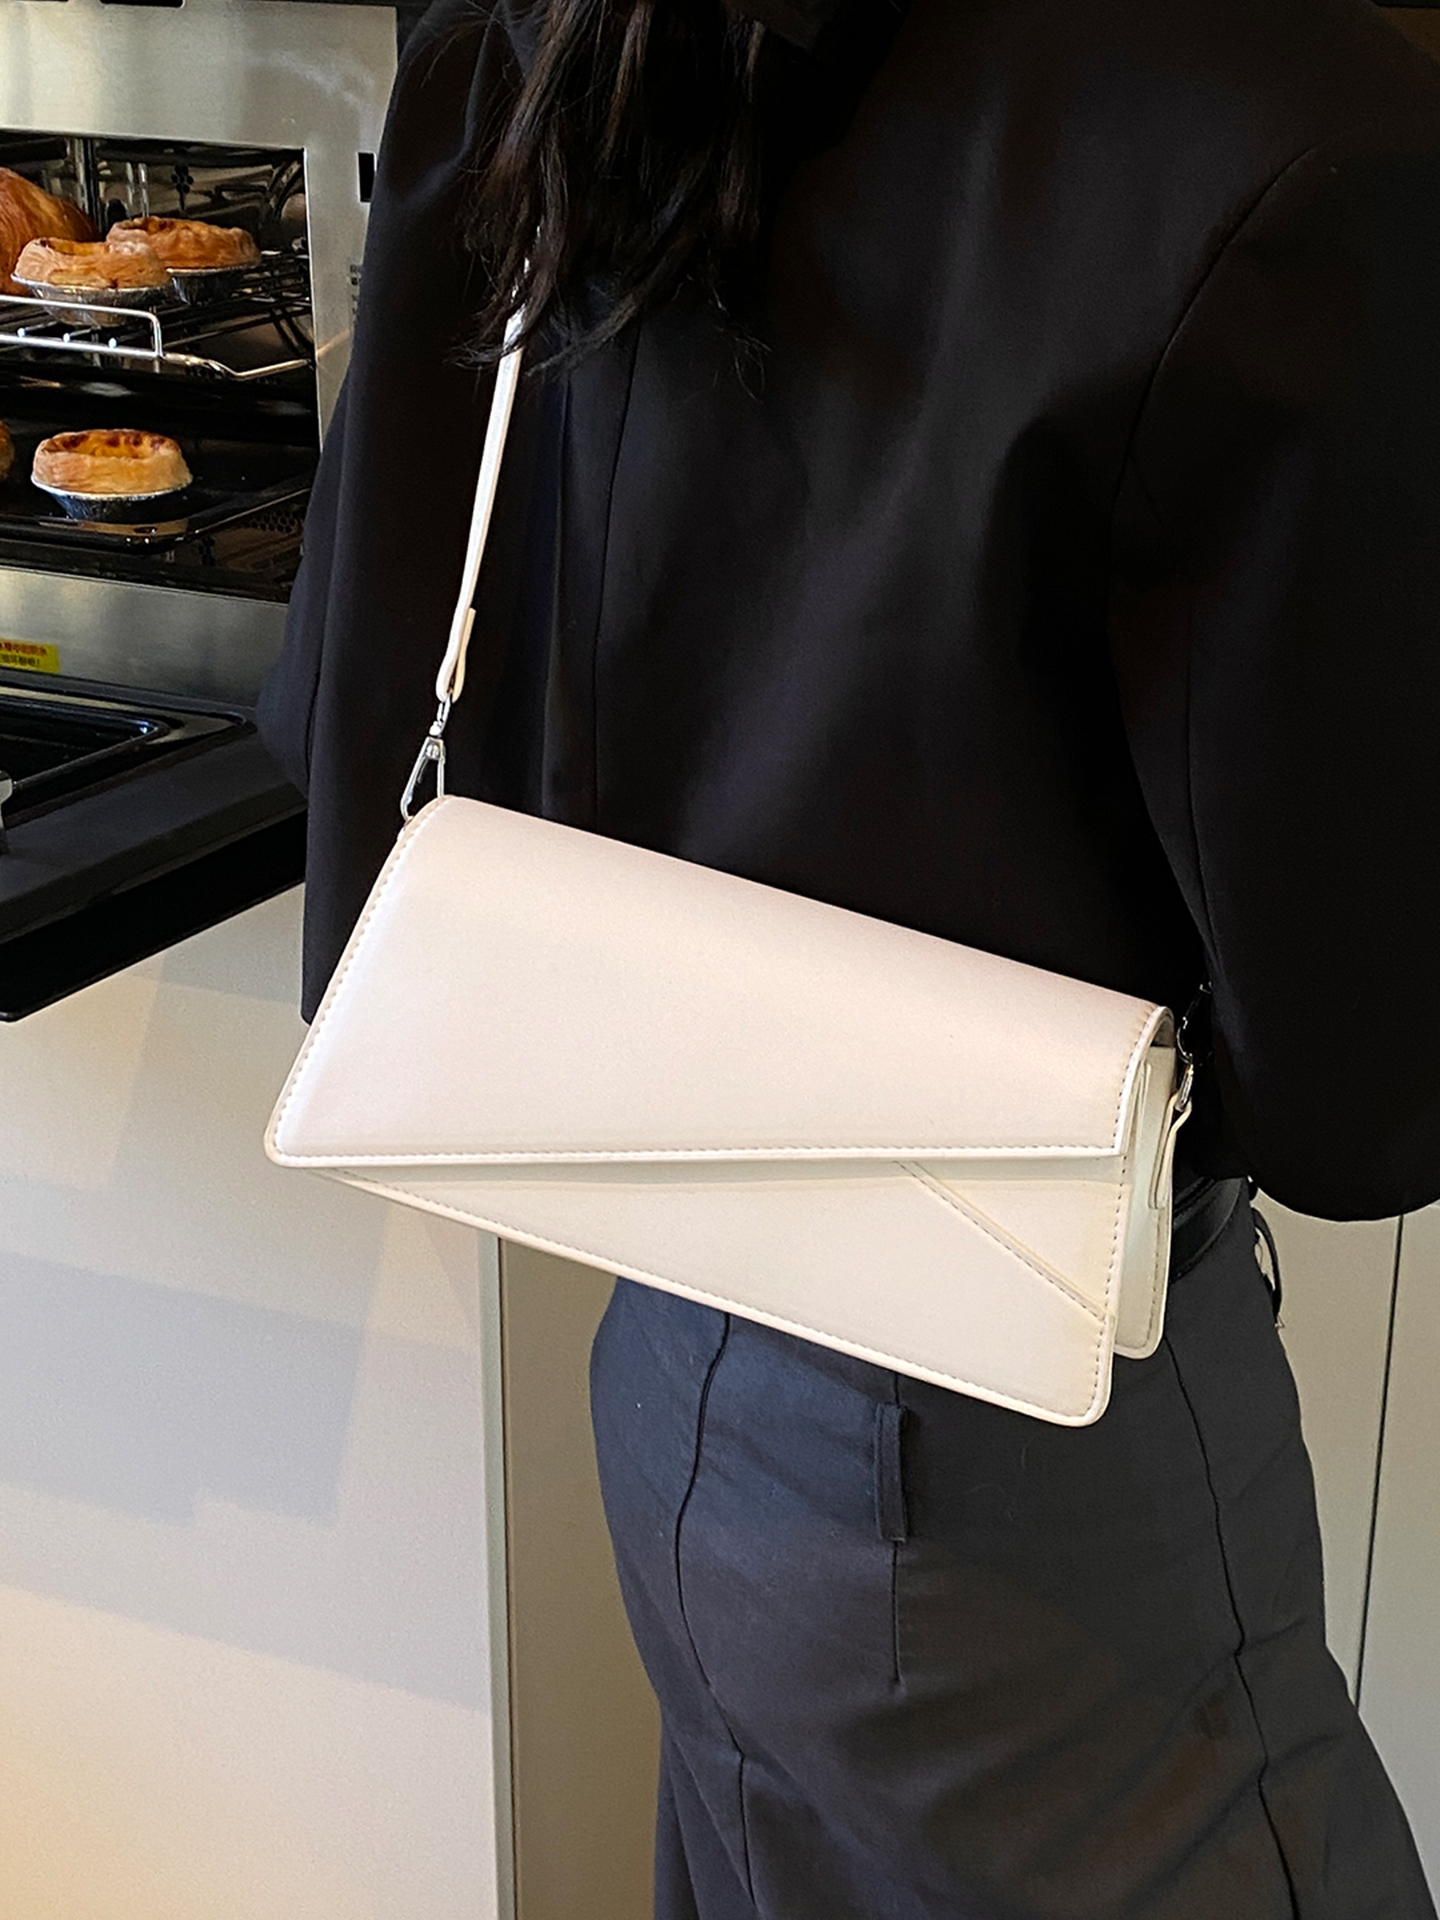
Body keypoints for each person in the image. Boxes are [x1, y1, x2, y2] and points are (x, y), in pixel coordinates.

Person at [258, 0, 1440, 1912]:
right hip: (1016, 1470)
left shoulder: (544, 36)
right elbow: (1361, 1090)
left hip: (679, 1356)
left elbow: (365, 684)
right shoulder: (1304, 135)